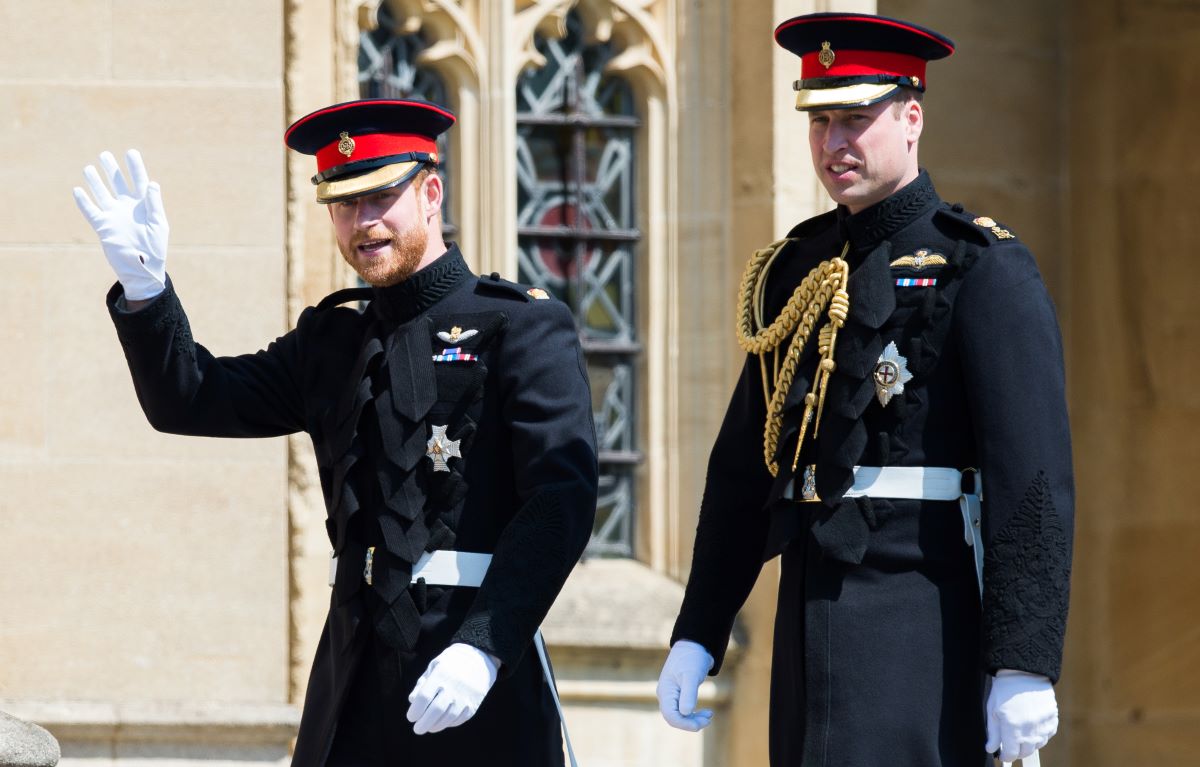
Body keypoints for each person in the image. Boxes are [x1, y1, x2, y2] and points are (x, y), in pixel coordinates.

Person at [73, 98, 598, 767]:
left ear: (430, 191)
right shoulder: (332, 341)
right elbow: (192, 399)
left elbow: (561, 498)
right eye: (344, 204)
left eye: (382, 197)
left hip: (472, 679)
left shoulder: (519, 327)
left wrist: (485, 642)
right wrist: (145, 291)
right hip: (351, 687)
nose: (364, 223)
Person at [656, 13, 1073, 767]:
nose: (832, 144)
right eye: (819, 121)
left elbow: (1032, 475)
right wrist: (700, 626)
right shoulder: (796, 270)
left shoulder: (978, 265)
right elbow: (746, 468)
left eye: (855, 118)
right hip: (809, 612)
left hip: (922, 614)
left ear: (912, 117)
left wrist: (1025, 657)